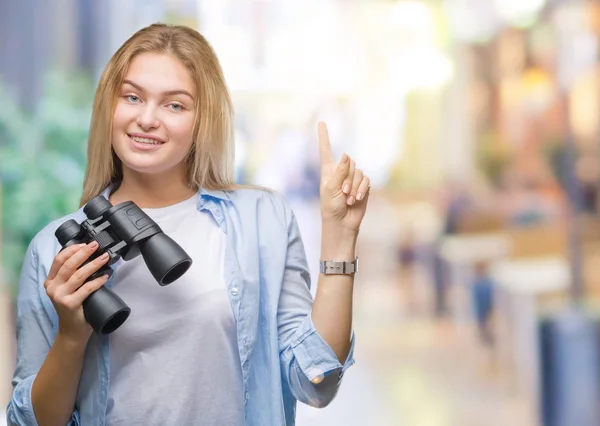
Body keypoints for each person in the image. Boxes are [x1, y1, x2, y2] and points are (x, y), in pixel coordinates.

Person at [6, 23, 370, 426]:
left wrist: (340, 237)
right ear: (109, 106)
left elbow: (315, 382)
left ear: (202, 121)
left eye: (174, 105)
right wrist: (72, 336)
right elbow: (34, 422)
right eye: (132, 97)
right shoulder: (50, 250)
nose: (147, 119)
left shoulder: (262, 219)